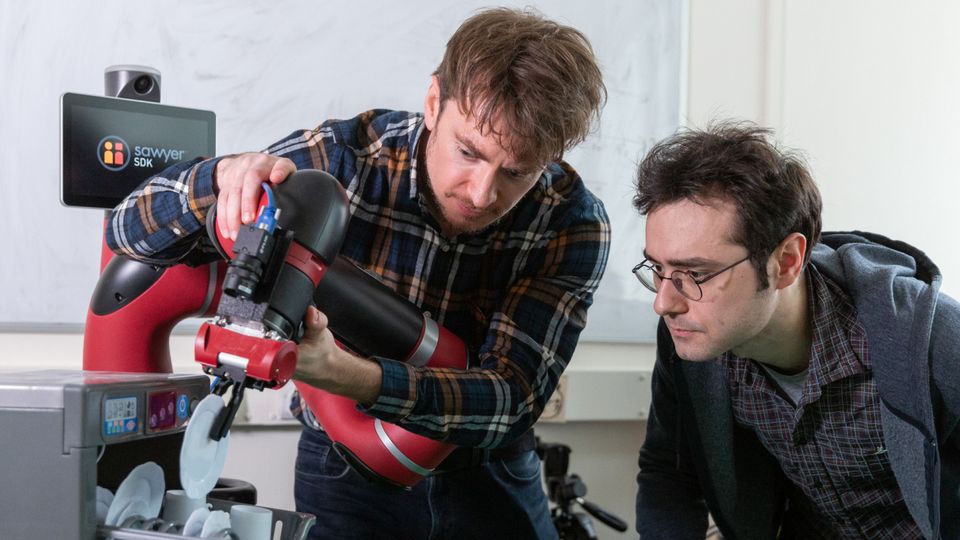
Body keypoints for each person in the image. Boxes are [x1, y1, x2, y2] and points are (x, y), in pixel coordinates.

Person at [108, 8, 609, 539]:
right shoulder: (341, 158)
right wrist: (220, 178)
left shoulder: (571, 220)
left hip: (489, 469)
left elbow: (511, 398)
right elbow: (126, 230)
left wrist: (349, 376)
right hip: (342, 467)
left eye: (516, 173)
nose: (481, 193)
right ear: (435, 103)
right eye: (468, 153)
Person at [631, 121, 960, 539]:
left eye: (695, 272)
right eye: (659, 269)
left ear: (786, 261)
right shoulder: (694, 334)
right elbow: (670, 473)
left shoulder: (930, 339)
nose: (664, 302)